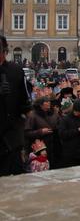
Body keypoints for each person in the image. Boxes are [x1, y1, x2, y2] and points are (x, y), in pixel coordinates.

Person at [0, 35, 32, 176]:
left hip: (12, 136)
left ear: (5, 50)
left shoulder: (16, 70)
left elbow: (25, 101)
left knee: (16, 179)